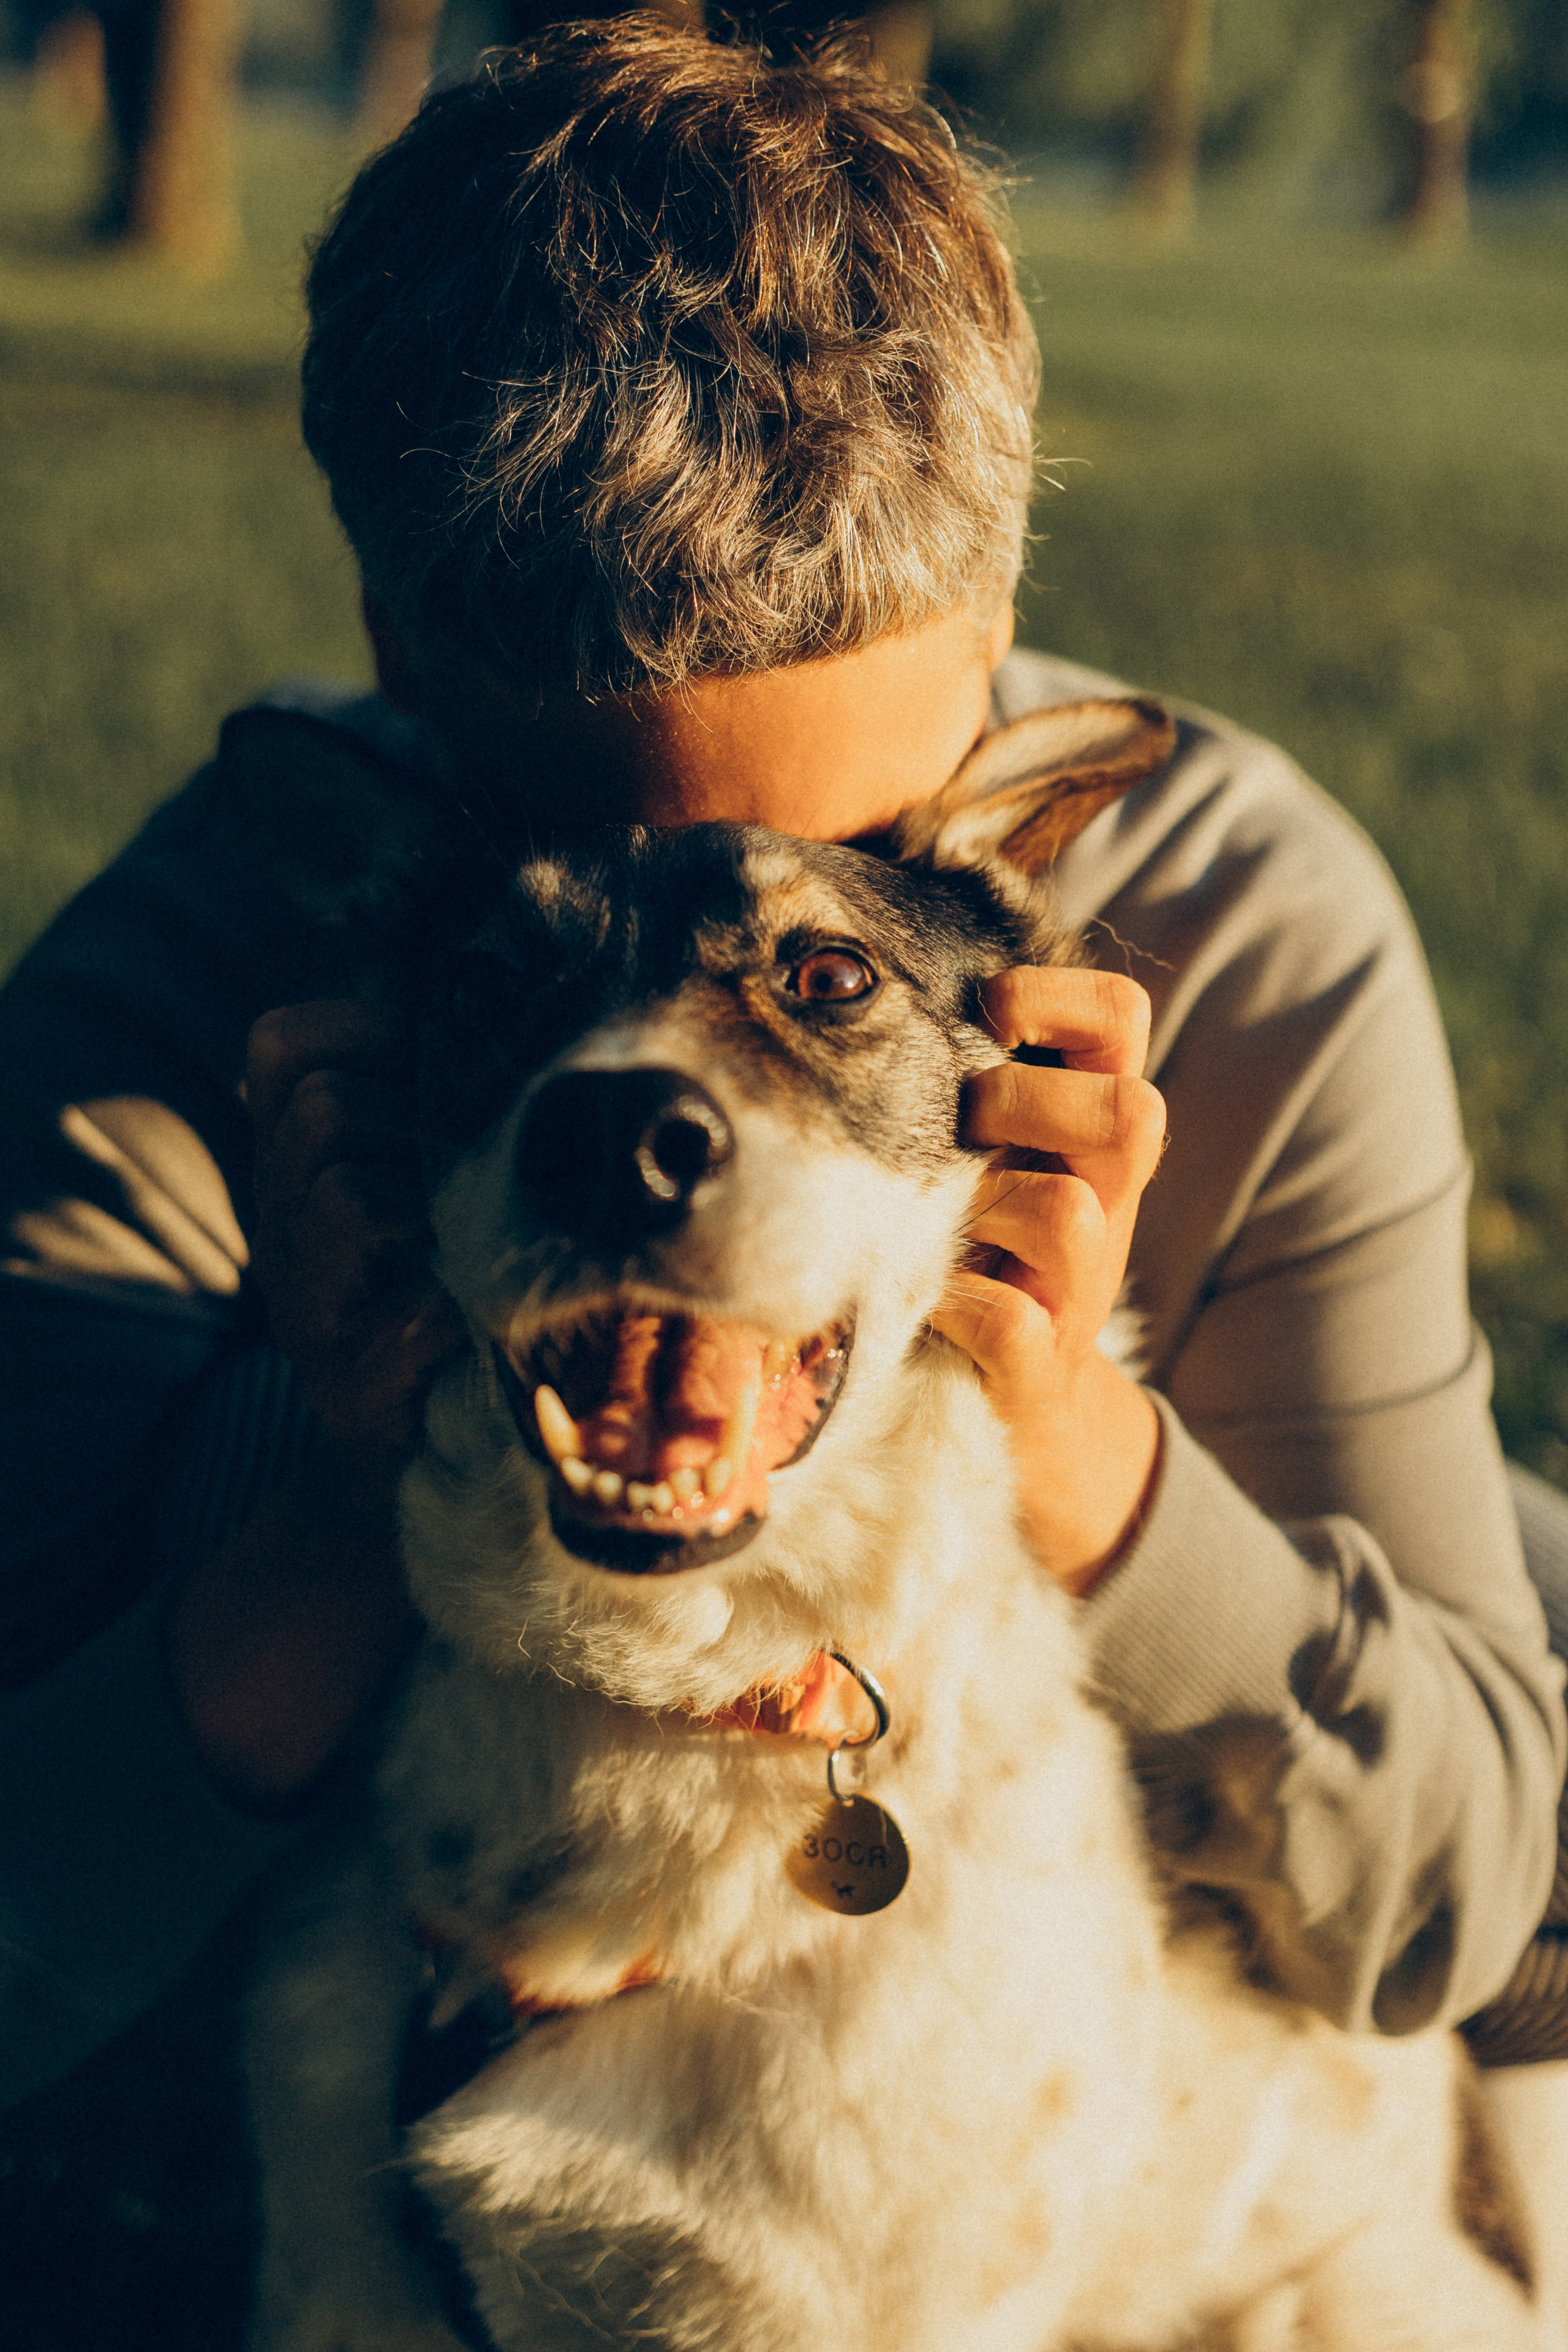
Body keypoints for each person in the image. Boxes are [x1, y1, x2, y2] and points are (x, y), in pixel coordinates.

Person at [3, 8, 1567, 2238]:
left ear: (991, 620)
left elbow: (1474, 1888)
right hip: (492, 1935)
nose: (675, 1058)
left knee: (1515, 1607)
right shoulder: (221, 962)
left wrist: (1085, 1457)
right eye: (583, 909)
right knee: (215, 1450)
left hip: (1081, 1984)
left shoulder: (1245, 917)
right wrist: (365, 1477)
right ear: (398, 652)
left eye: (838, 925)